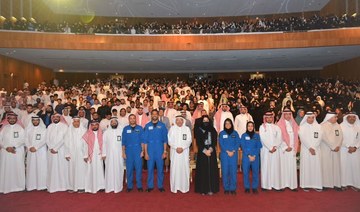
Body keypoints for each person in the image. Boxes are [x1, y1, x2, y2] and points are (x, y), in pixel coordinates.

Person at [0, 113, 26, 194]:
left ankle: (19, 186)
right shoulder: (4, 128)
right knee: (6, 168)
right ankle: (6, 187)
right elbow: (0, 140)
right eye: (10, 118)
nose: (12, 120)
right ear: (7, 119)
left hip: (17, 152)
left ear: (16, 119)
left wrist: (14, 147)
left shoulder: (20, 128)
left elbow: (23, 140)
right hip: (5, 152)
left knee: (17, 168)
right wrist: (6, 147)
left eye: (13, 118)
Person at [143, 109, 168, 192]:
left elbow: (165, 140)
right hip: (150, 149)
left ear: (158, 115)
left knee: (160, 168)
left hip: (160, 149)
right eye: (152, 114)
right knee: (150, 169)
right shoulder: (147, 126)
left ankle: (160, 186)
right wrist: (145, 153)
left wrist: (164, 151)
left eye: (155, 114)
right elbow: (145, 141)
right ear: (151, 115)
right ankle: (150, 186)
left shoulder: (162, 125)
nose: (154, 115)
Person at [194, 115, 219, 195]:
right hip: (202, 152)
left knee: (211, 170)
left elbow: (214, 141)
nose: (205, 122)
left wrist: (210, 150)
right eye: (204, 120)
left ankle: (211, 188)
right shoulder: (199, 130)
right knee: (203, 170)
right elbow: (198, 142)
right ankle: (202, 189)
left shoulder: (213, 130)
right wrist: (205, 151)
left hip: (211, 152)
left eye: (207, 120)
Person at [299, 112, 323, 192]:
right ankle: (306, 184)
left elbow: (319, 137)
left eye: (312, 117)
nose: (311, 119)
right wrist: (310, 147)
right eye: (309, 117)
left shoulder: (319, 127)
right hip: (306, 150)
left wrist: (314, 147)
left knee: (316, 166)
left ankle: (316, 184)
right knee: (307, 166)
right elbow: (302, 138)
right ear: (306, 118)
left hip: (316, 149)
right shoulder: (302, 127)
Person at [168, 115, 192, 193]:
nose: (179, 122)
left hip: (184, 152)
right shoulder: (172, 129)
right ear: (175, 121)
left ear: (183, 121)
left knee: (184, 168)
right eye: (177, 120)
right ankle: (175, 187)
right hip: (175, 153)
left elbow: (189, 140)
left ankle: (184, 187)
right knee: (175, 169)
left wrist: (183, 148)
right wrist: (176, 147)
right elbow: (169, 140)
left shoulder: (187, 129)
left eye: (181, 120)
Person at [46, 113, 69, 193]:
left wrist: (56, 148)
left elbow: (64, 139)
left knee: (61, 167)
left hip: (61, 150)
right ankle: (52, 186)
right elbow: (47, 138)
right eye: (54, 117)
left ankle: (63, 186)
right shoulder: (49, 126)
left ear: (60, 118)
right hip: (51, 151)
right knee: (52, 168)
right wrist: (51, 147)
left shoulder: (64, 126)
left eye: (57, 117)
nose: (55, 118)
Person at [259, 111, 282, 191]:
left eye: (270, 117)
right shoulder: (262, 127)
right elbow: (263, 138)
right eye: (267, 117)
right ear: (265, 118)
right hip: (266, 151)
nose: (269, 119)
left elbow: (280, 138)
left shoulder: (276, 127)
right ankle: (265, 185)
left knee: (275, 167)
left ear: (272, 118)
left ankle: (276, 185)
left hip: (275, 150)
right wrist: (270, 148)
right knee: (266, 167)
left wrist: (275, 147)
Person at [277, 109, 299, 191]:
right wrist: (286, 147)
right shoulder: (279, 125)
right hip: (284, 150)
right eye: (286, 114)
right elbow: (278, 138)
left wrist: (292, 147)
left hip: (292, 149)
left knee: (292, 168)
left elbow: (296, 136)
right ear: (283, 115)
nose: (288, 116)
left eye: (290, 114)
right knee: (283, 167)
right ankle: (283, 185)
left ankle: (292, 185)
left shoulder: (294, 124)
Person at [320, 112, 343, 191]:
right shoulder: (322, 126)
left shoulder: (337, 125)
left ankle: (336, 184)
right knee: (326, 166)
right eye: (335, 117)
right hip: (326, 149)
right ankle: (325, 184)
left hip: (336, 150)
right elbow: (324, 138)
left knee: (336, 167)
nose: (336, 119)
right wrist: (333, 146)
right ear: (329, 118)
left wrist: (338, 146)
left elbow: (341, 137)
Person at [64, 116, 87, 192]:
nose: (76, 123)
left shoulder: (84, 130)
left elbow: (86, 144)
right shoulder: (69, 131)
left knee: (81, 170)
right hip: (72, 154)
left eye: (78, 121)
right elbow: (66, 143)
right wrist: (67, 154)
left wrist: (86, 155)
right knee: (72, 169)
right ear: (72, 122)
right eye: (75, 121)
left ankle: (81, 186)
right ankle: (72, 186)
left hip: (81, 154)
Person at [122, 114, 144, 192]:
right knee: (129, 169)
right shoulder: (125, 129)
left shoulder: (140, 128)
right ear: (129, 120)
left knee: (138, 168)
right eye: (130, 118)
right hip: (128, 151)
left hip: (138, 150)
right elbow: (123, 142)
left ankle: (139, 185)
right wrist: (123, 152)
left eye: (133, 118)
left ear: (135, 119)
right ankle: (129, 186)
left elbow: (142, 141)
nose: (132, 120)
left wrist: (142, 151)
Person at [25, 116, 47, 191]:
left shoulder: (43, 130)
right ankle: (31, 185)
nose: (35, 122)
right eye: (33, 120)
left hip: (41, 151)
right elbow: (25, 139)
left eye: (36, 120)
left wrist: (36, 147)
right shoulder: (28, 130)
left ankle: (42, 185)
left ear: (39, 121)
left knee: (41, 167)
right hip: (31, 151)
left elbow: (44, 140)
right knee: (31, 167)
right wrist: (29, 147)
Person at [82, 120, 106, 193]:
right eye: (93, 125)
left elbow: (104, 145)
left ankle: (101, 186)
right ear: (90, 126)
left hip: (99, 155)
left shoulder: (102, 134)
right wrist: (85, 155)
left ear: (98, 126)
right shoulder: (87, 134)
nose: (94, 126)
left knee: (100, 170)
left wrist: (104, 154)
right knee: (90, 170)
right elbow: (84, 146)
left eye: (96, 125)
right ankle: (90, 187)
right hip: (90, 156)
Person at [219, 118, 241, 195]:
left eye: (229, 123)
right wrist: (227, 151)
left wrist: (233, 151)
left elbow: (238, 143)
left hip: (233, 155)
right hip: (225, 155)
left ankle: (233, 188)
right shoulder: (222, 133)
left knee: (233, 172)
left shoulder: (235, 133)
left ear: (232, 124)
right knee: (225, 172)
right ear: (224, 125)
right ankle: (226, 188)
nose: (228, 125)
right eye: (226, 124)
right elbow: (221, 143)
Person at [103, 117, 125, 193]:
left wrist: (124, 153)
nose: (114, 123)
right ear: (110, 123)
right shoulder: (106, 132)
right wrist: (104, 154)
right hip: (109, 156)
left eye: (115, 122)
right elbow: (103, 144)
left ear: (117, 123)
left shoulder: (121, 131)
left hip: (119, 155)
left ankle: (118, 187)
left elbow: (124, 143)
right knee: (109, 170)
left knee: (119, 169)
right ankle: (109, 187)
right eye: (112, 122)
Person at [240, 121, 262, 194]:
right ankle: (247, 187)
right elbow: (243, 146)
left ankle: (255, 187)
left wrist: (254, 155)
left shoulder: (257, 135)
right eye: (248, 126)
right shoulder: (243, 135)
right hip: (246, 157)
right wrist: (249, 155)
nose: (250, 127)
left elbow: (259, 146)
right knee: (246, 172)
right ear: (247, 127)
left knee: (255, 172)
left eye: (251, 126)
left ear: (253, 127)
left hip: (255, 157)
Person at [340, 112, 360, 191]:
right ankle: (343, 184)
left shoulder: (358, 126)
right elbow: (340, 139)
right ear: (346, 118)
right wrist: (348, 146)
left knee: (355, 167)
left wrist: (355, 147)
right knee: (344, 166)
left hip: (356, 150)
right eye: (350, 117)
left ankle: (356, 184)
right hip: (344, 150)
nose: (352, 118)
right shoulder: (341, 126)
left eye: (354, 117)